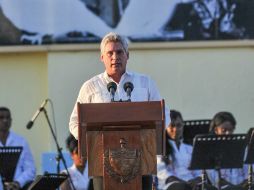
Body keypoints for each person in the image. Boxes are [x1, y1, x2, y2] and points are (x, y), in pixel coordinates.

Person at [69, 32, 170, 190]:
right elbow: (74, 122)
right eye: (110, 53)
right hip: (102, 162)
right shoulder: (90, 87)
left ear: (127, 55)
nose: (115, 57)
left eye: (119, 52)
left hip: (141, 159)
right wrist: (90, 142)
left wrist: (149, 139)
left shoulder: (145, 83)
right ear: (102, 57)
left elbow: (165, 116)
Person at [156, 110, 206, 190]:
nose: (175, 129)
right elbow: (163, 173)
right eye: (172, 126)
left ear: (183, 126)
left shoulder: (190, 149)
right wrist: (185, 183)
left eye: (178, 125)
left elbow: (200, 172)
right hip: (172, 185)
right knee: (183, 187)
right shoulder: (160, 148)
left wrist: (196, 181)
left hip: (191, 183)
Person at [163, 0, 247, 40]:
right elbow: (161, 34)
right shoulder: (183, 9)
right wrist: (183, 33)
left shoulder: (240, 10)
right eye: (195, 3)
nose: (197, 8)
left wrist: (230, 30)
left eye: (207, 1)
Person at [206, 111, 248, 190]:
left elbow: (248, 175)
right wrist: (235, 188)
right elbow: (216, 180)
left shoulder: (242, 148)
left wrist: (241, 186)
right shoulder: (210, 151)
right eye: (224, 130)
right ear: (216, 130)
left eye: (230, 130)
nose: (228, 133)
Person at [0, 107, 36, 190]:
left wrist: (18, 182)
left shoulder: (21, 142)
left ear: (11, 120)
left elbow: (31, 169)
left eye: (7, 117)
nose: (5, 120)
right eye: (1, 117)